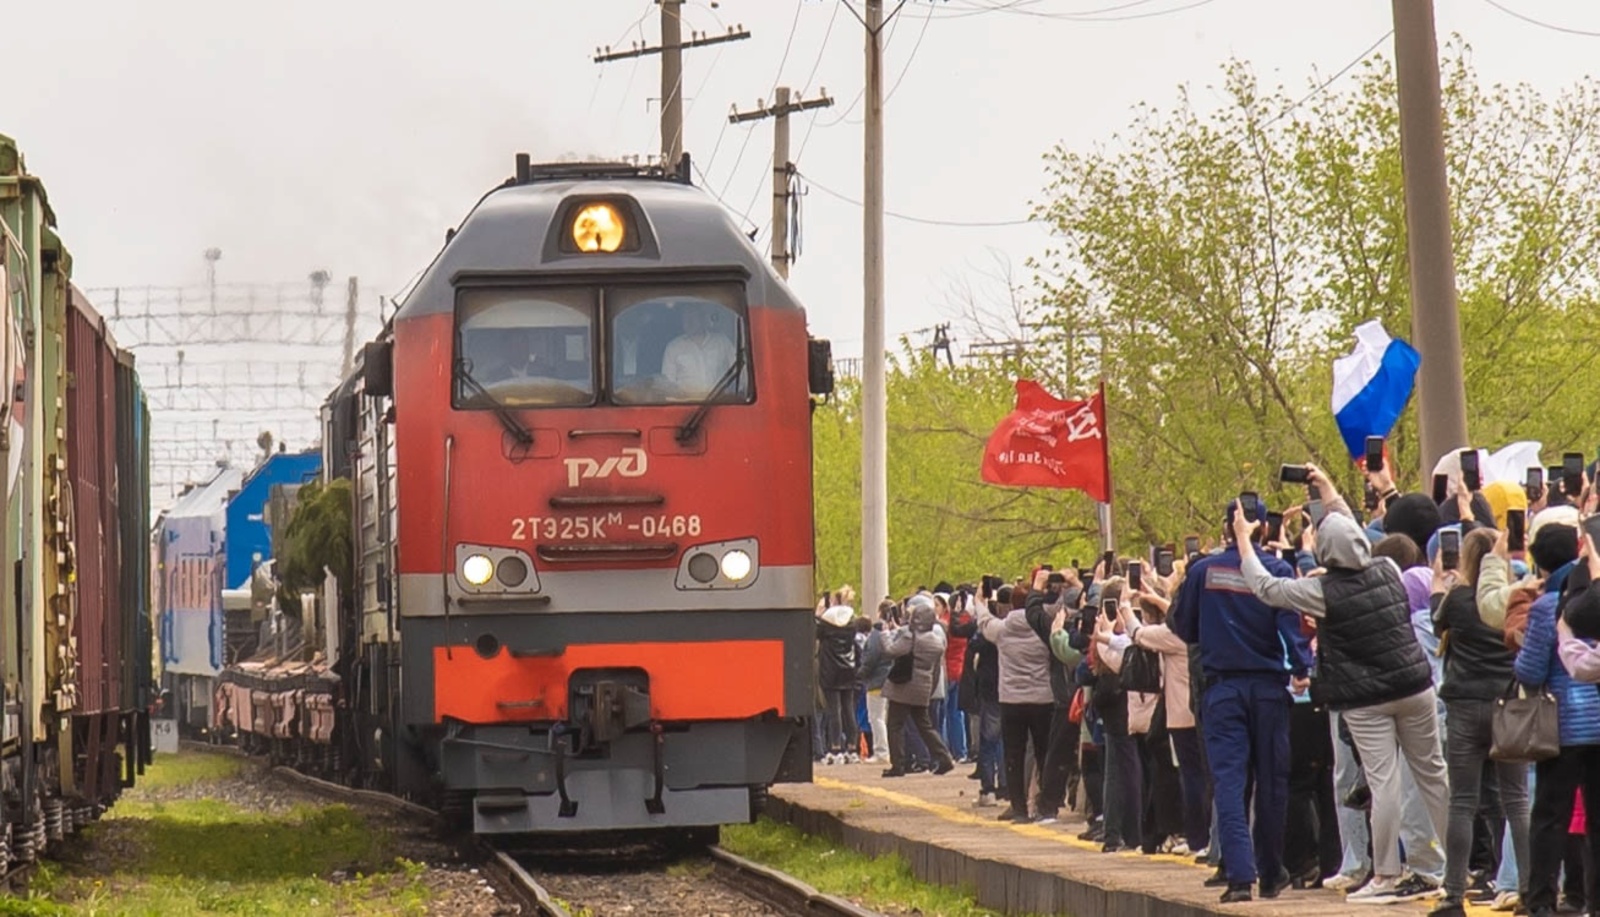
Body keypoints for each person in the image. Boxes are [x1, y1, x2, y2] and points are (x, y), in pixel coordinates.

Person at [1233, 464, 1449, 906]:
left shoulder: (1323, 592)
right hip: (1415, 685)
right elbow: (1354, 532)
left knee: (1384, 783)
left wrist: (1242, 539)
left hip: (1368, 699)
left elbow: (1265, 586)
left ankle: (1386, 873)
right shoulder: (1389, 567)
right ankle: (1449, 866)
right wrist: (1329, 490)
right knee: (1433, 776)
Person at [1170, 499, 1312, 904]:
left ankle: (1238, 877)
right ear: (1262, 530)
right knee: (1272, 783)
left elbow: (1184, 626)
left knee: (1230, 784)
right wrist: (1302, 666)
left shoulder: (1202, 572)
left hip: (1222, 689)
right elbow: (1291, 628)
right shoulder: (1278, 571)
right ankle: (1270, 872)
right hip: (1269, 688)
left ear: (1227, 528)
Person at [1430, 528, 1531, 917]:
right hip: (1508, 705)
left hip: (1465, 705)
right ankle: (1527, 889)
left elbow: (1437, 622)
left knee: (1462, 802)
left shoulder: (1456, 599)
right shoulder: (1514, 597)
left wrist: (1441, 581)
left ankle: (1453, 893)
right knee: (1517, 802)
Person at [881, 594, 956, 778]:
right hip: (923, 687)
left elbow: (890, 651)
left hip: (903, 687)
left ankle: (897, 764)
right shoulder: (936, 641)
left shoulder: (910, 636)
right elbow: (937, 671)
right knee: (925, 726)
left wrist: (885, 634)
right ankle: (944, 757)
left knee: (895, 724)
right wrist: (929, 690)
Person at [661, 304, 736, 396]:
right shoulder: (673, 347)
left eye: (693, 316)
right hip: (687, 406)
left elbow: (739, 372)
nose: (689, 321)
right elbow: (667, 384)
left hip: (722, 403)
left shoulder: (722, 342)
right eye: (685, 318)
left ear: (702, 318)